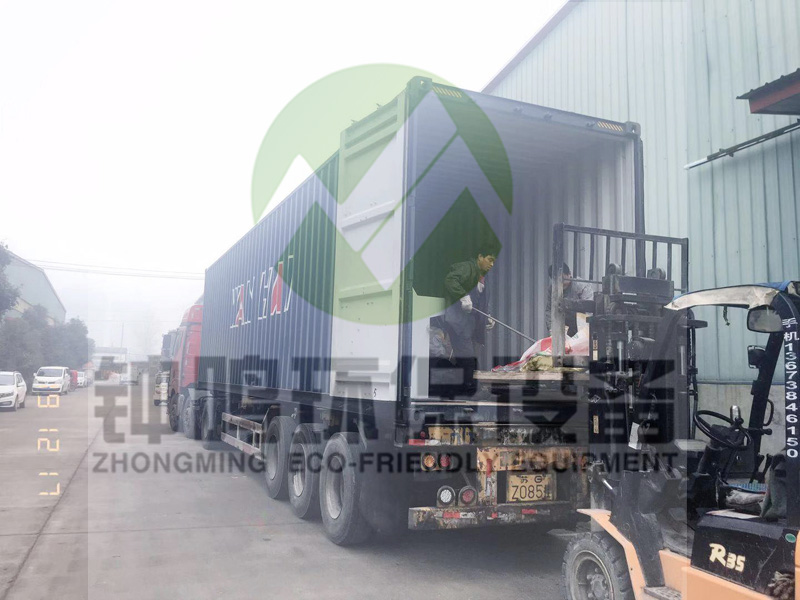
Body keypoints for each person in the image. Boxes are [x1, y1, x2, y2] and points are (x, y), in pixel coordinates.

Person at [443, 249, 496, 395]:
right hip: (458, 323)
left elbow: (481, 303)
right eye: (489, 259)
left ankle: (462, 389)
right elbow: (450, 279)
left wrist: (487, 317)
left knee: (469, 358)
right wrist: (463, 296)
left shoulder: (483, 278)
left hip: (471, 326)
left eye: (493, 261)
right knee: (467, 357)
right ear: (480, 257)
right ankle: (470, 391)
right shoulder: (467, 267)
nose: (492, 264)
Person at [545, 262, 593, 336]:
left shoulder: (582, 286)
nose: (561, 283)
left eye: (562, 280)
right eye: (557, 281)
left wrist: (585, 331)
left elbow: (589, 309)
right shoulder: (553, 289)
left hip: (582, 325)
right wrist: (552, 328)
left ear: (569, 274)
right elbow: (550, 310)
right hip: (565, 327)